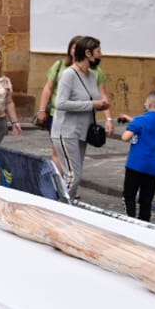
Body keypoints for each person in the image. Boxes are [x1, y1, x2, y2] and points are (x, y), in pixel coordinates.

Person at [51, 36, 109, 200]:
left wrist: (101, 106)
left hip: (83, 132)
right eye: (98, 51)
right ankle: (61, 208)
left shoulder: (91, 75)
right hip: (66, 131)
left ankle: (63, 205)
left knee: (75, 174)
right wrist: (92, 104)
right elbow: (61, 103)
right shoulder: (69, 74)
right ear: (88, 53)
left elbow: (92, 99)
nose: (101, 55)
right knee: (73, 176)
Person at [119, 90, 155, 223]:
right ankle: (144, 223)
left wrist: (131, 126)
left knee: (129, 196)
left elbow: (125, 137)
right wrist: (131, 119)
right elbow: (150, 124)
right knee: (146, 200)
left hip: (136, 164)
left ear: (150, 104)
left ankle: (130, 221)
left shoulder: (141, 121)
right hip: (153, 165)